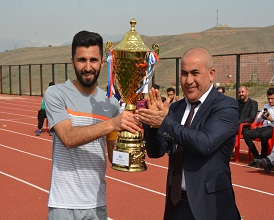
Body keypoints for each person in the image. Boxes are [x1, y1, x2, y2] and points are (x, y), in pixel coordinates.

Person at [44, 30, 141, 220]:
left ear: (102, 63)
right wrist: (112, 124)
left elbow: (115, 158)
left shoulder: (111, 104)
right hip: (63, 205)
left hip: (97, 206)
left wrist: (135, 138)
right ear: (72, 61)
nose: (88, 67)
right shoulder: (56, 94)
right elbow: (68, 138)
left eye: (93, 60)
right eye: (82, 60)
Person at [136, 47, 240, 219]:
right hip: (177, 204)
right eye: (184, 73)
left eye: (195, 73)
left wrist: (164, 122)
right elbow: (156, 152)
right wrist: (152, 123)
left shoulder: (226, 106)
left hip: (211, 208)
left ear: (211, 73)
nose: (188, 80)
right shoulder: (176, 108)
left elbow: (204, 143)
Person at [243, 87, 274, 167]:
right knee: (246, 134)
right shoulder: (266, 106)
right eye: (268, 98)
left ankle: (263, 157)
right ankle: (256, 156)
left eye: (272, 98)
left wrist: (272, 120)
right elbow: (258, 120)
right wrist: (261, 116)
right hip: (264, 127)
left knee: (264, 135)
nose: (270, 101)